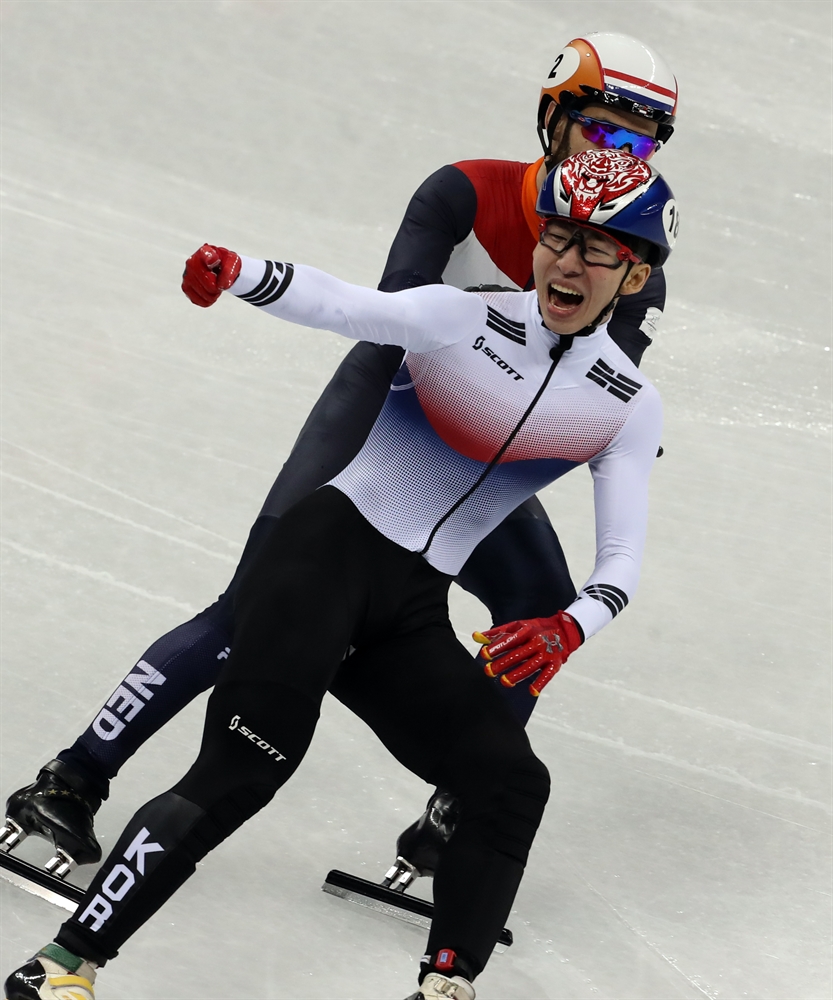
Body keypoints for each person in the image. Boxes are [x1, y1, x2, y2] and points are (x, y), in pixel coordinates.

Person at [0, 33, 679, 884]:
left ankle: (459, 806)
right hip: (384, 418)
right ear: (555, 116)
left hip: (485, 452)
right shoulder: (465, 190)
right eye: (606, 132)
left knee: (539, 612)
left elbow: (581, 397)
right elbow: (385, 322)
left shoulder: (636, 255)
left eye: (641, 143)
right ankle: (73, 776)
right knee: (254, 606)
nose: (622, 155)